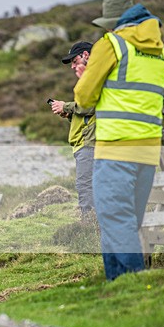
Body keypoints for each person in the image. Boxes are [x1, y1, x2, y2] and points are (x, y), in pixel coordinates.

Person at [74, 0, 164, 280]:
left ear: (116, 23)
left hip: (115, 150)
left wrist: (85, 78)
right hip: (147, 153)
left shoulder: (111, 45)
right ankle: (115, 285)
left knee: (115, 220)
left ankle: (133, 285)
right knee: (127, 223)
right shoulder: (162, 53)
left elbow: (84, 97)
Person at [50, 41, 96, 214]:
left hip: (90, 143)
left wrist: (66, 106)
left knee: (86, 188)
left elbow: (90, 105)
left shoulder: (96, 77)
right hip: (86, 142)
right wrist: (71, 115)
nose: (72, 67)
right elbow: (88, 112)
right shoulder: (91, 77)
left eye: (74, 61)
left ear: (86, 55)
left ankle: (89, 233)